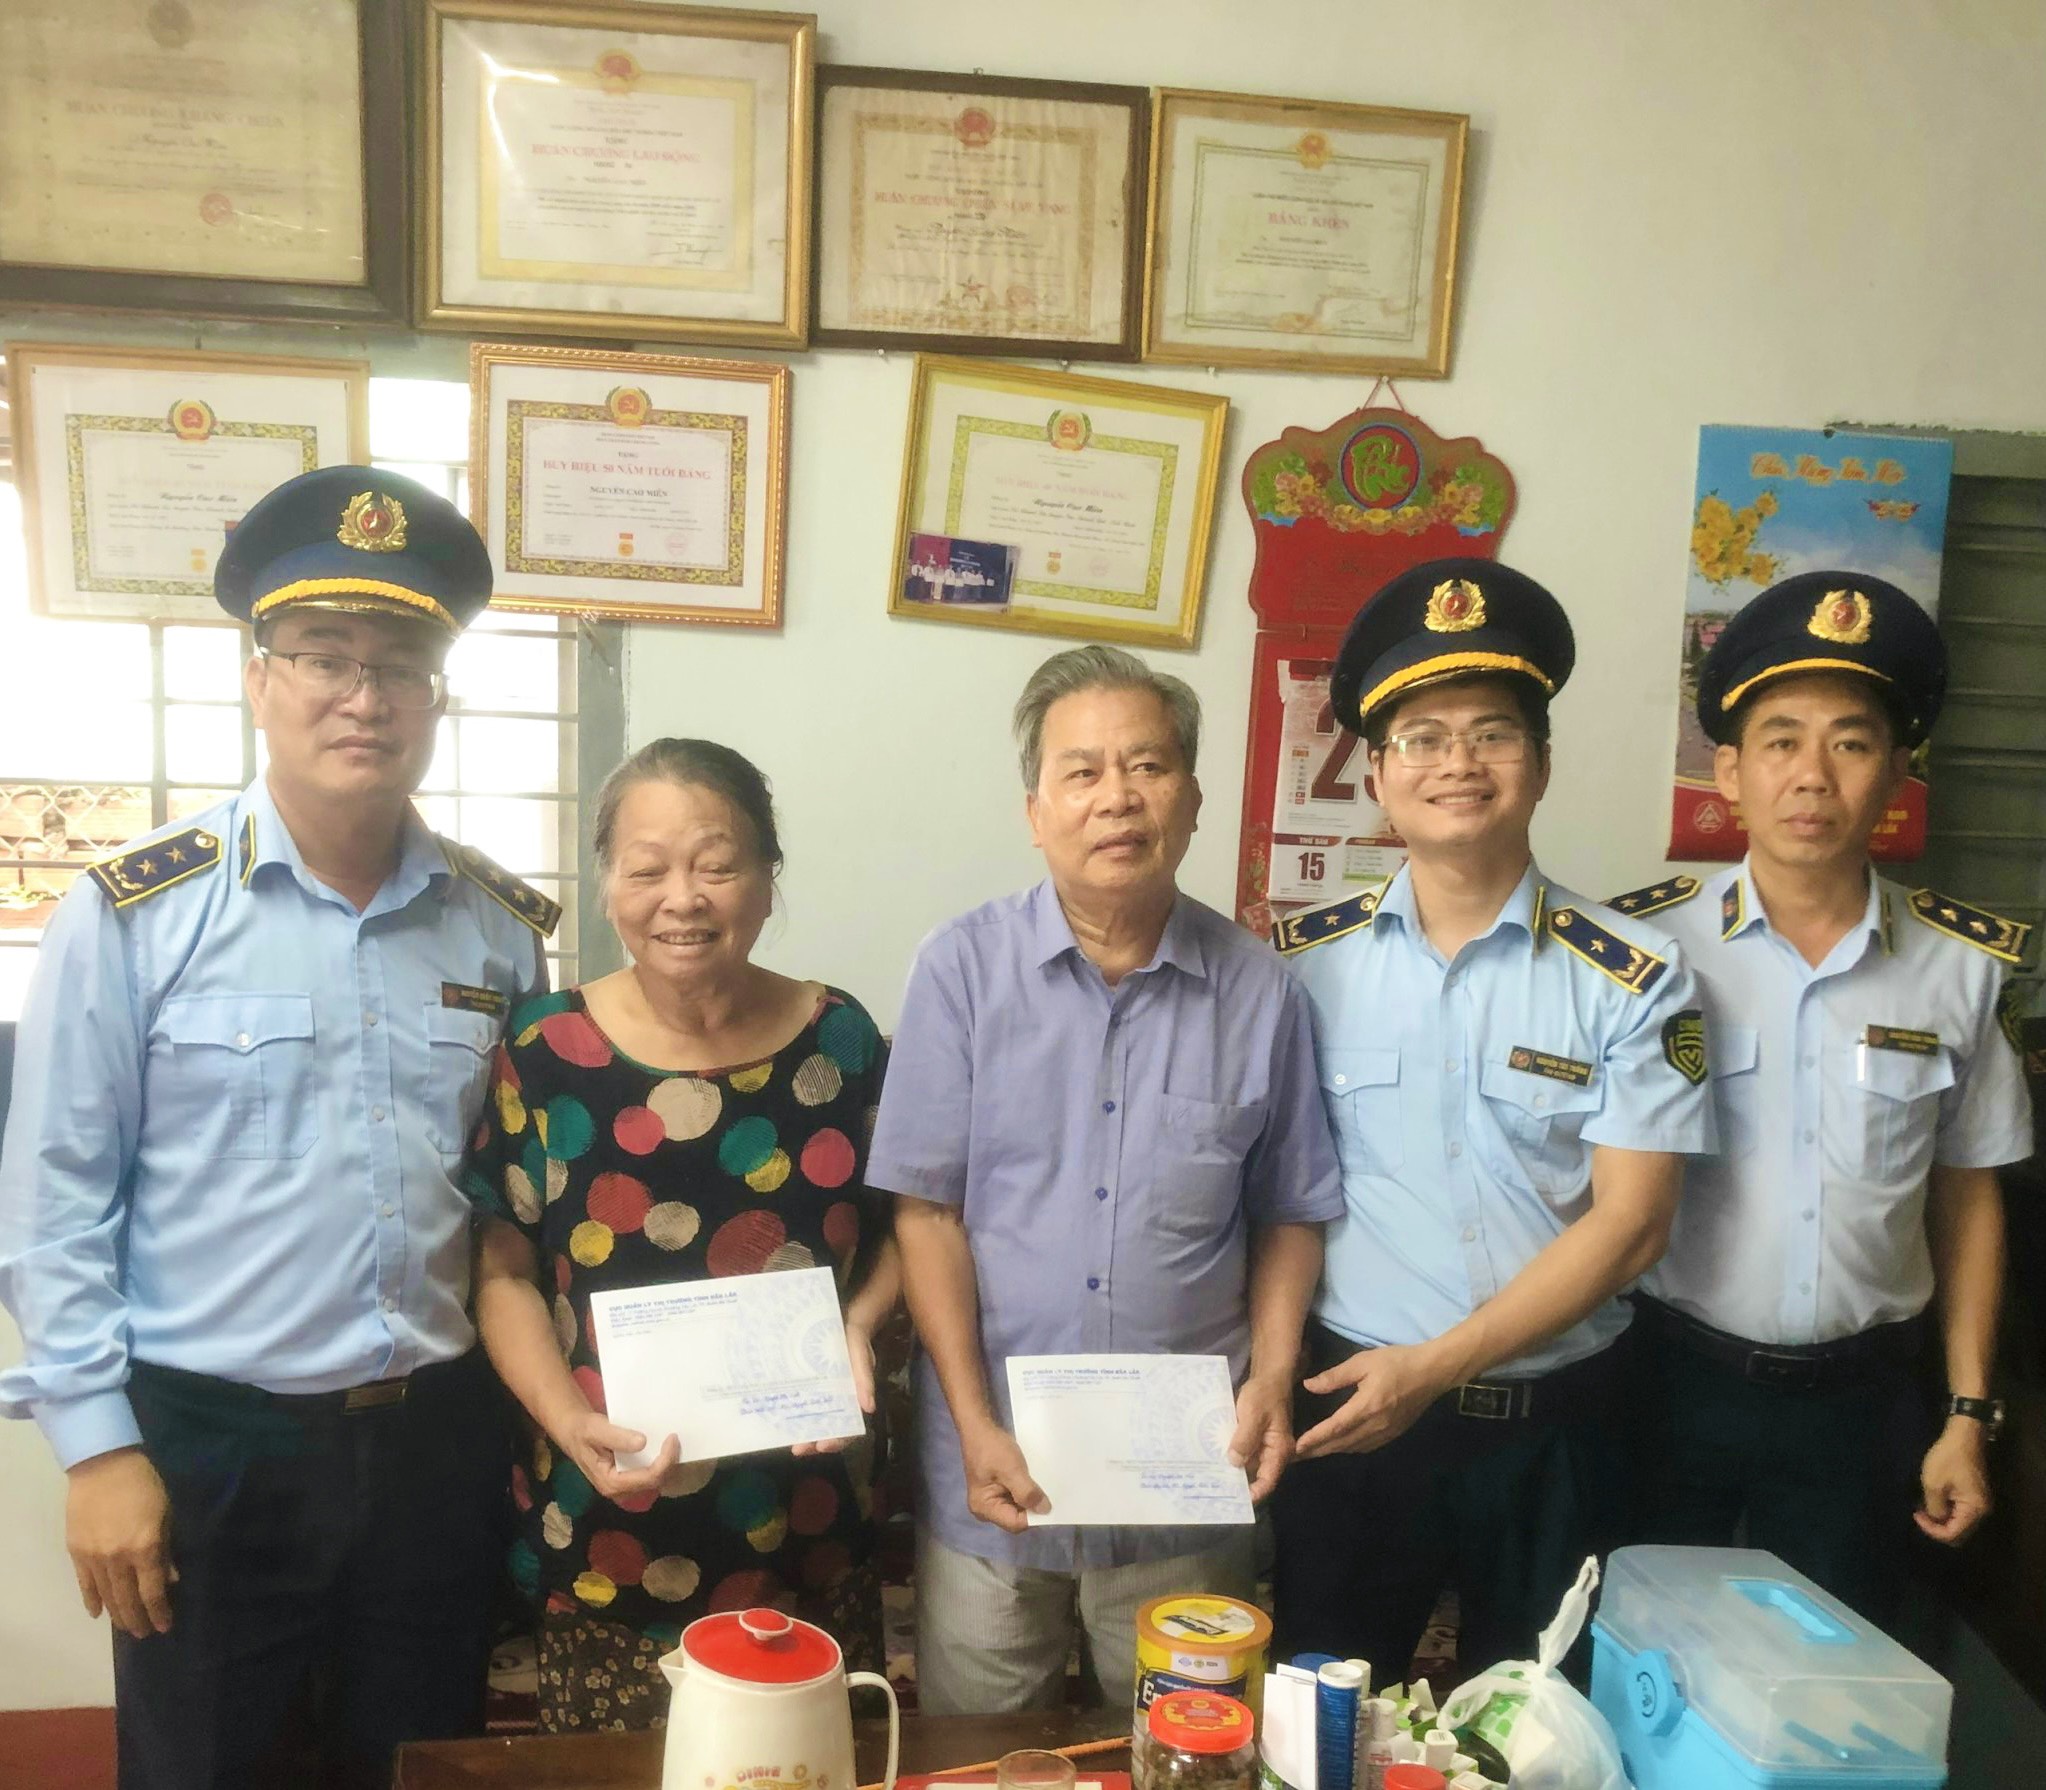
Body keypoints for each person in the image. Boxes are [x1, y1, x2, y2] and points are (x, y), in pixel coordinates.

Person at [0, 467, 557, 1790]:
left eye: (402, 664)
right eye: (324, 655)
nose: (364, 696)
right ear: (259, 678)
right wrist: (99, 1447)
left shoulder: (496, 931)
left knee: (416, 1763)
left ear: (437, 697)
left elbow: (506, 1200)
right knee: (205, 1765)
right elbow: (54, 1193)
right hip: (212, 1443)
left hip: (434, 1440)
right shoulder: (135, 914)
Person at [872, 644, 1343, 1717]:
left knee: (1193, 1751)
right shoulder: (960, 970)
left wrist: (1273, 1376)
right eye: (1081, 771)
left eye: (1148, 766)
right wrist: (971, 1418)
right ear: (1036, 811)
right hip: (995, 1463)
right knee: (983, 1755)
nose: (1117, 797)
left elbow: (1288, 1212)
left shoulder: (1262, 992)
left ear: (1193, 799)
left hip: (1184, 1478)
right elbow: (926, 1212)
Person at [1269, 558, 1715, 1679]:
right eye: (1422, 737)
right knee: (1327, 1714)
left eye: (1493, 734)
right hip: (1354, 1415)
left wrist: (1433, 1366)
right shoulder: (1299, 967)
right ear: (1378, 774)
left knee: (1544, 1725)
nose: (1458, 763)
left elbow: (1634, 1225)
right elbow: (1271, 1192)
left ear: (1542, 764)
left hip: (1563, 1426)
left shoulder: (1634, 974)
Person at [1618, 571, 2031, 1621]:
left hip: (1866, 1405)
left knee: (1837, 1672)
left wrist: (1967, 1412)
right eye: (1780, 741)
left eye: (1850, 743)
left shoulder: (1958, 968)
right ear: (1729, 770)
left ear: (1896, 772)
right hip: (1667, 1383)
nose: (1812, 775)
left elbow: (1968, 1194)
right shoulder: (1644, 951)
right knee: (1642, 1660)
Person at [464, 738, 898, 1733]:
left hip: (806, 1502)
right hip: (612, 1505)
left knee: (801, 1765)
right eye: (647, 867)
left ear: (768, 876)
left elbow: (899, 1229)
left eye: (716, 863)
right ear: (608, 885)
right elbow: (503, 1270)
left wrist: (858, 1326)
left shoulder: (841, 1039)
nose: (683, 898)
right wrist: (565, 1421)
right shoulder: (545, 1048)